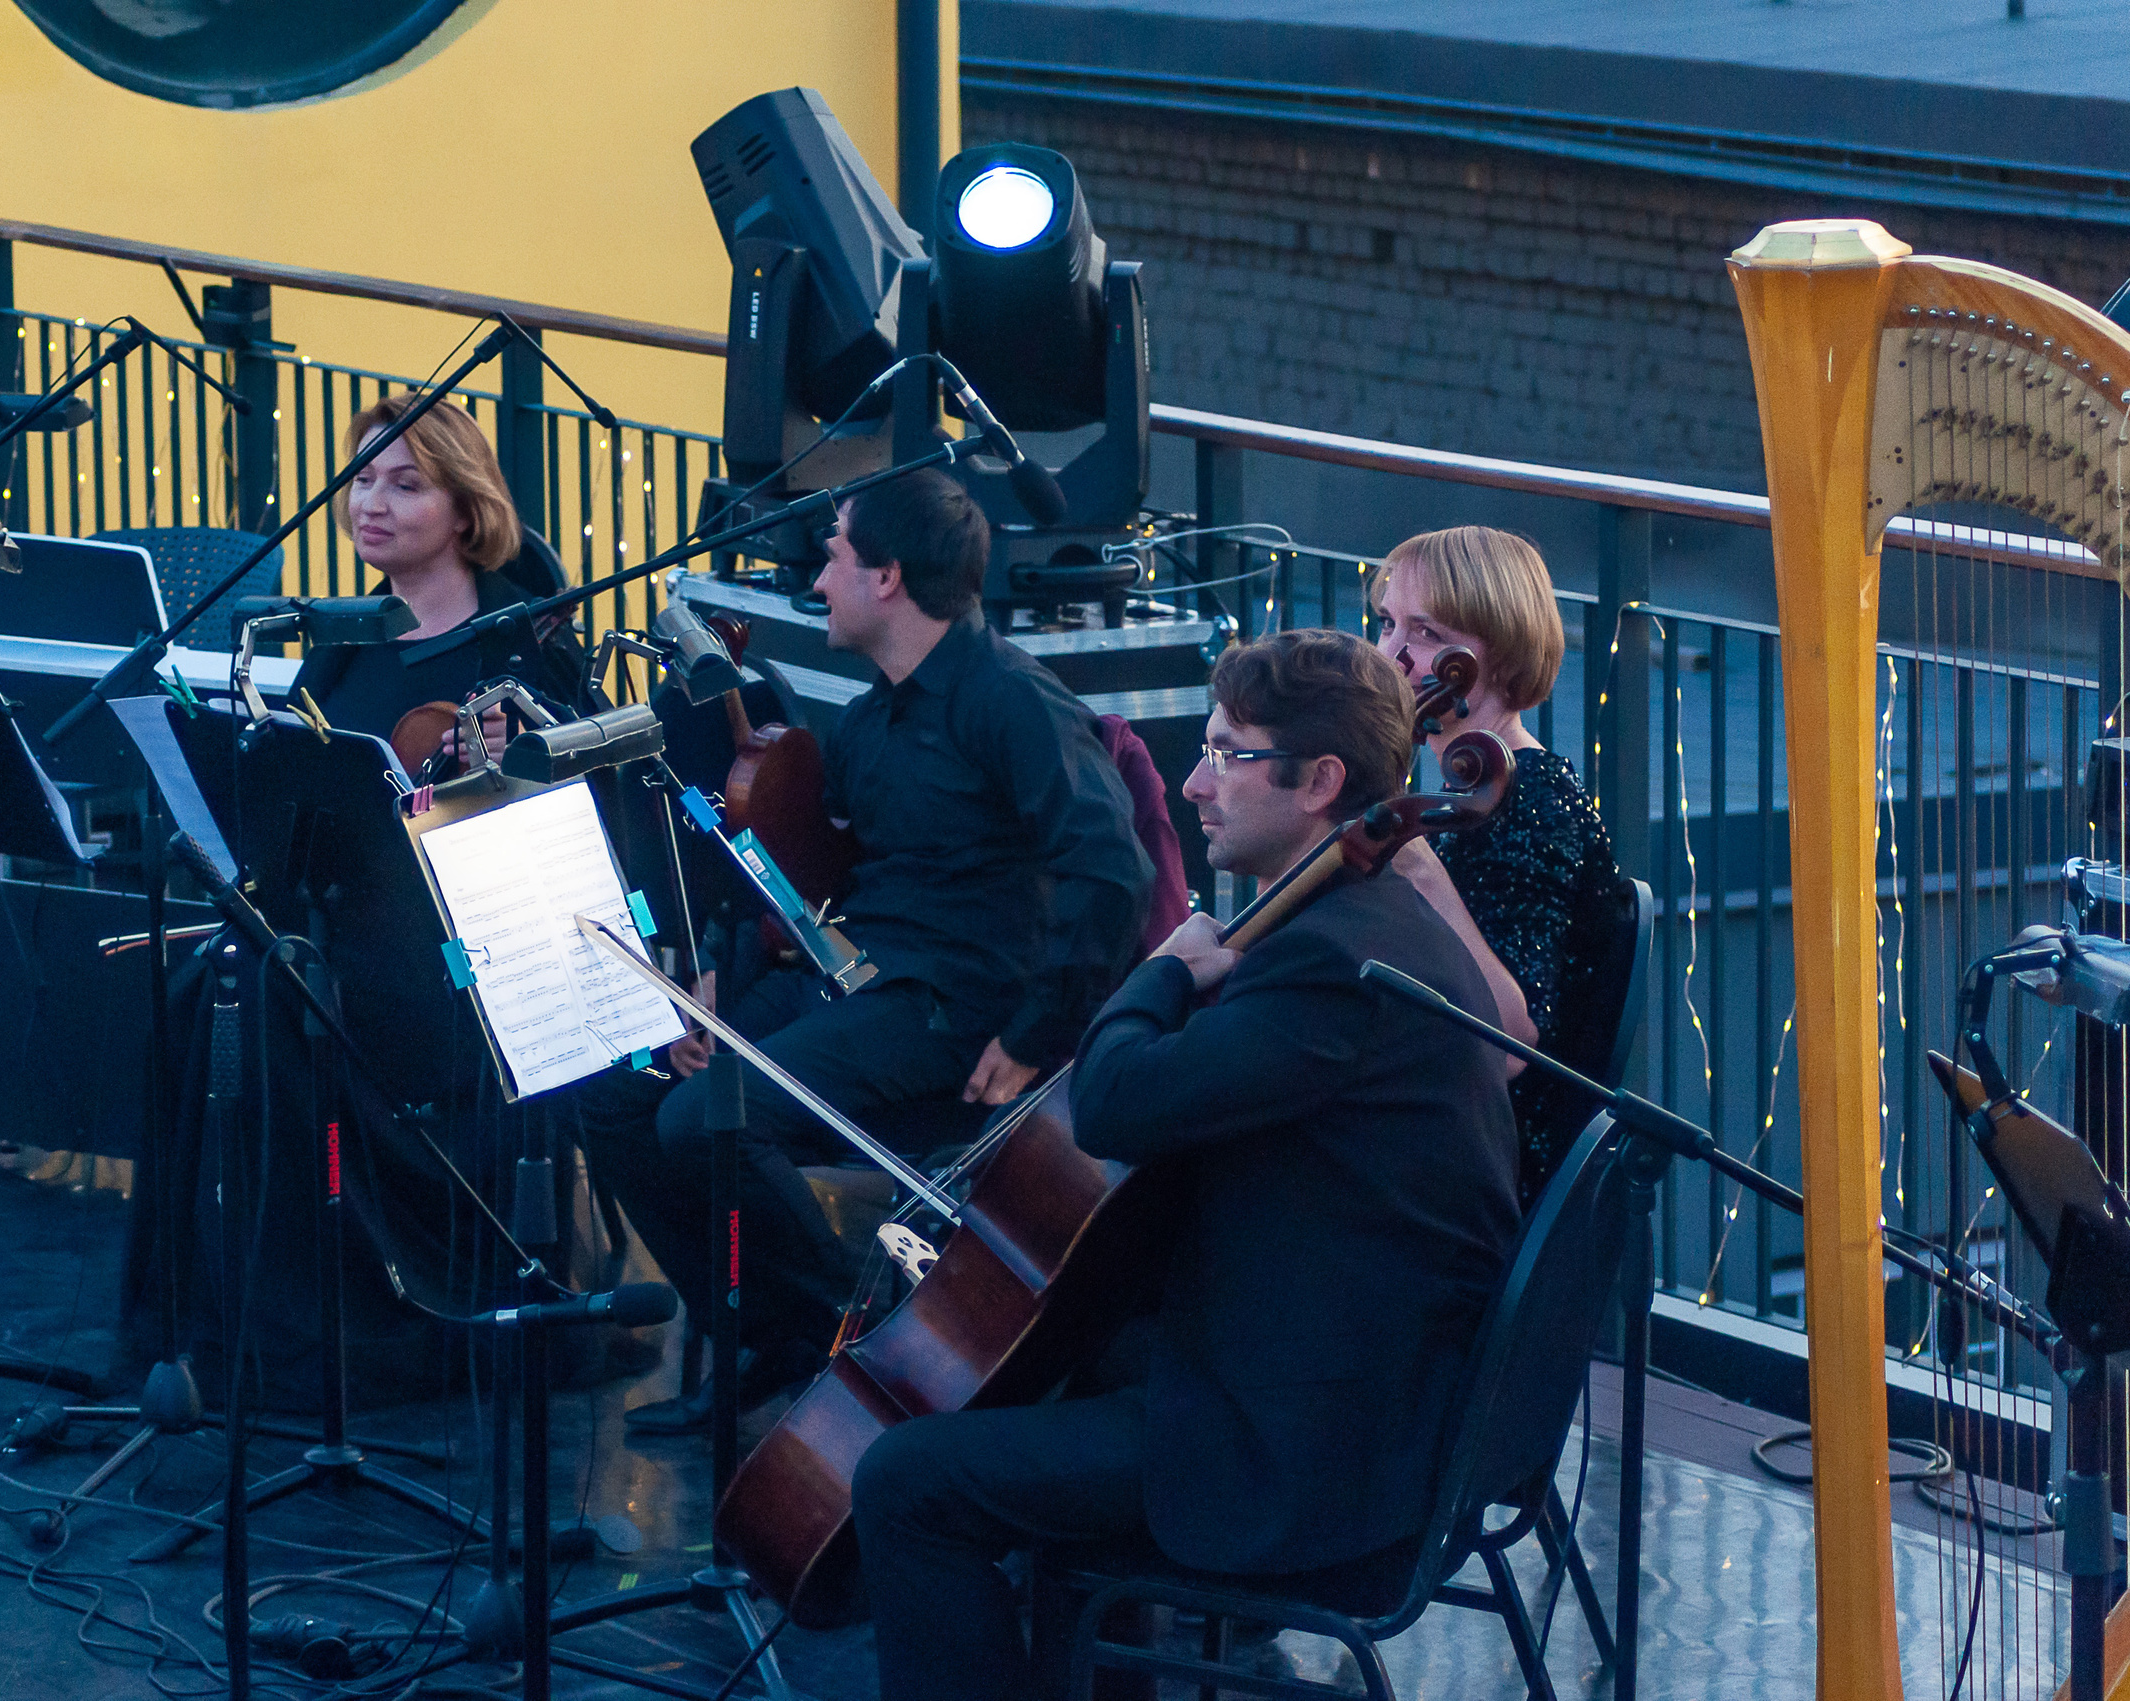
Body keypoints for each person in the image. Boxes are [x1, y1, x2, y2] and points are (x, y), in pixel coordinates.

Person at [850, 628, 1521, 1701]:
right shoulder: (1367, 921)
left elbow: (1116, 1104)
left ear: (1322, 784)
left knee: (905, 1481)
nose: (1192, 782)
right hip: (1342, 1382)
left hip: (1305, 1455)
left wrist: (1158, 977)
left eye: (1226, 752)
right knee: (1050, 1377)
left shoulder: (1326, 962)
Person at [584, 468, 1152, 1429]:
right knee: (621, 1094)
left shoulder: (1014, 701)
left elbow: (1112, 870)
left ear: (886, 577)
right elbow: (812, 887)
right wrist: (724, 987)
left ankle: (875, 1341)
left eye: (836, 557)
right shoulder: (868, 715)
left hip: (956, 1012)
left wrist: (1031, 1033)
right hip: (852, 984)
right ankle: (776, 1336)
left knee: (707, 1121)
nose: (818, 583)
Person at [1372, 525, 1628, 1204]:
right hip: (1432, 1127)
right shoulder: (1449, 796)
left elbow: (1512, 1037)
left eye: (1424, 634)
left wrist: (1421, 870)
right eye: (1386, 624)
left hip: (1490, 1175)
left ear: (1501, 650)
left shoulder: (1533, 802)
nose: (1389, 656)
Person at [289, 393, 583, 756]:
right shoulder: (342, 640)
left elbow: (603, 787)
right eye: (363, 479)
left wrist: (534, 755)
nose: (371, 505)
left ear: (466, 509)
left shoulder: (531, 641)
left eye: (406, 485)